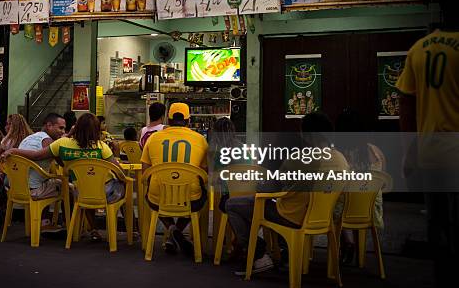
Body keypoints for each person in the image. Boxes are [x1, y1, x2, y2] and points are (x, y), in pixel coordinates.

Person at [396, 0, 459, 288]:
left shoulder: (420, 49)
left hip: (434, 156)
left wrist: (408, 154)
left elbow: (406, 107)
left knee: (440, 231)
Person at [224, 112, 348, 275]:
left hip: (292, 215)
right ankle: (284, 253)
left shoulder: (300, 158)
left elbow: (271, 186)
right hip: (322, 217)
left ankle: (259, 254)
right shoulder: (341, 159)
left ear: (306, 134)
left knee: (232, 204)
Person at [3, 113, 124, 241]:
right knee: (123, 185)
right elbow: (119, 172)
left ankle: (86, 228)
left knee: (80, 189)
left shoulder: (61, 144)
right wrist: (124, 179)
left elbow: (36, 156)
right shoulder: (102, 147)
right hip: (105, 193)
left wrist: (13, 151)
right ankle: (132, 230)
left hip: (82, 193)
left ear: (76, 127)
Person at [140, 102, 208, 256]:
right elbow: (205, 172)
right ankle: (177, 231)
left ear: (168, 121)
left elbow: (145, 172)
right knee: (201, 197)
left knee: (152, 197)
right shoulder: (200, 140)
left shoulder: (153, 138)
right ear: (188, 121)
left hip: (159, 197)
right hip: (190, 198)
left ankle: (171, 229)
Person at [213, 117, 273, 275]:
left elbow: (216, 180)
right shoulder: (244, 147)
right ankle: (240, 247)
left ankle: (252, 249)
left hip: (234, 197)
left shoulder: (221, 153)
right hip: (253, 196)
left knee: (224, 204)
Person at [335, 108, 386, 264]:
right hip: (371, 210)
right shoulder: (376, 151)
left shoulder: (339, 153)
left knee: (333, 201)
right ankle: (353, 247)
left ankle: (347, 241)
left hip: (346, 210)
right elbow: (382, 183)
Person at [17, 113, 66, 200]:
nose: (63, 132)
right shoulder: (48, 141)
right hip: (33, 190)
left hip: (17, 188)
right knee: (69, 188)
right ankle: (68, 214)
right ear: (49, 125)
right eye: (61, 128)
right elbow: (63, 163)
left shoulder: (29, 138)